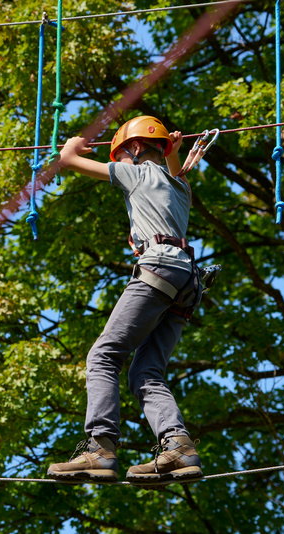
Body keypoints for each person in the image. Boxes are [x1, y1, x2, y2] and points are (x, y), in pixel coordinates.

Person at [46, 116, 203, 485]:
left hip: (158, 269)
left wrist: (70, 147)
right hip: (187, 281)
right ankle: (178, 446)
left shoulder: (137, 173)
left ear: (133, 149)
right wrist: (174, 155)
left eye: (123, 154)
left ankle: (100, 448)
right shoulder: (181, 188)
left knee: (103, 356)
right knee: (145, 372)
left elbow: (68, 161)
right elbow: (178, 174)